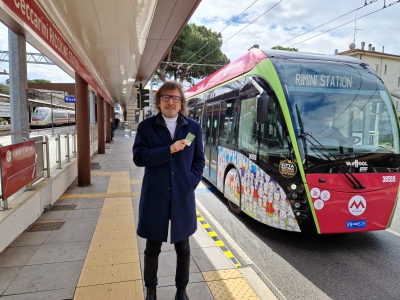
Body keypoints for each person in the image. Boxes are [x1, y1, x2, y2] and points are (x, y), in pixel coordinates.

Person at [132, 81, 205, 300]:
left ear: (181, 102)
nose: (170, 102)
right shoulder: (146, 127)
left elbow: (199, 161)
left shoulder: (193, 127)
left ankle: (181, 291)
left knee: (183, 248)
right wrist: (168, 149)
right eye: (166, 97)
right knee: (152, 247)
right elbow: (139, 157)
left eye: (175, 98)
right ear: (158, 101)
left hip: (182, 196)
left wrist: (190, 183)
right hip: (156, 195)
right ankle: (151, 291)